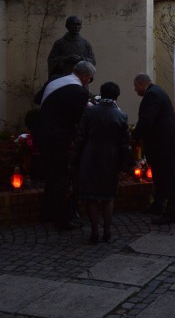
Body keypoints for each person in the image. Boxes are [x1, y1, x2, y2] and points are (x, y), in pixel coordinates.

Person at [35, 61, 95, 230]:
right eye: (89, 79)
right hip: (58, 138)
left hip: (42, 134)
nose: (88, 82)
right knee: (61, 177)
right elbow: (79, 120)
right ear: (84, 76)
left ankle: (47, 214)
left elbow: (38, 99)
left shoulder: (54, 82)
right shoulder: (78, 91)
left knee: (52, 176)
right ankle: (62, 220)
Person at [74, 82, 130, 243]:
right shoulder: (121, 116)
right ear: (116, 97)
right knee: (108, 197)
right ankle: (107, 231)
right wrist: (124, 163)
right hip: (110, 160)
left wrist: (75, 159)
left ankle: (94, 232)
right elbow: (125, 144)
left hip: (89, 157)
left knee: (91, 197)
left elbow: (80, 137)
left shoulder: (89, 112)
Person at [132, 73, 175, 224]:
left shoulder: (152, 95)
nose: (135, 90)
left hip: (164, 142)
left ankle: (172, 211)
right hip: (162, 141)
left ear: (141, 83)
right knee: (160, 175)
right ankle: (158, 205)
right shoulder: (156, 92)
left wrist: (135, 136)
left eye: (136, 87)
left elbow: (147, 119)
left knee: (167, 176)